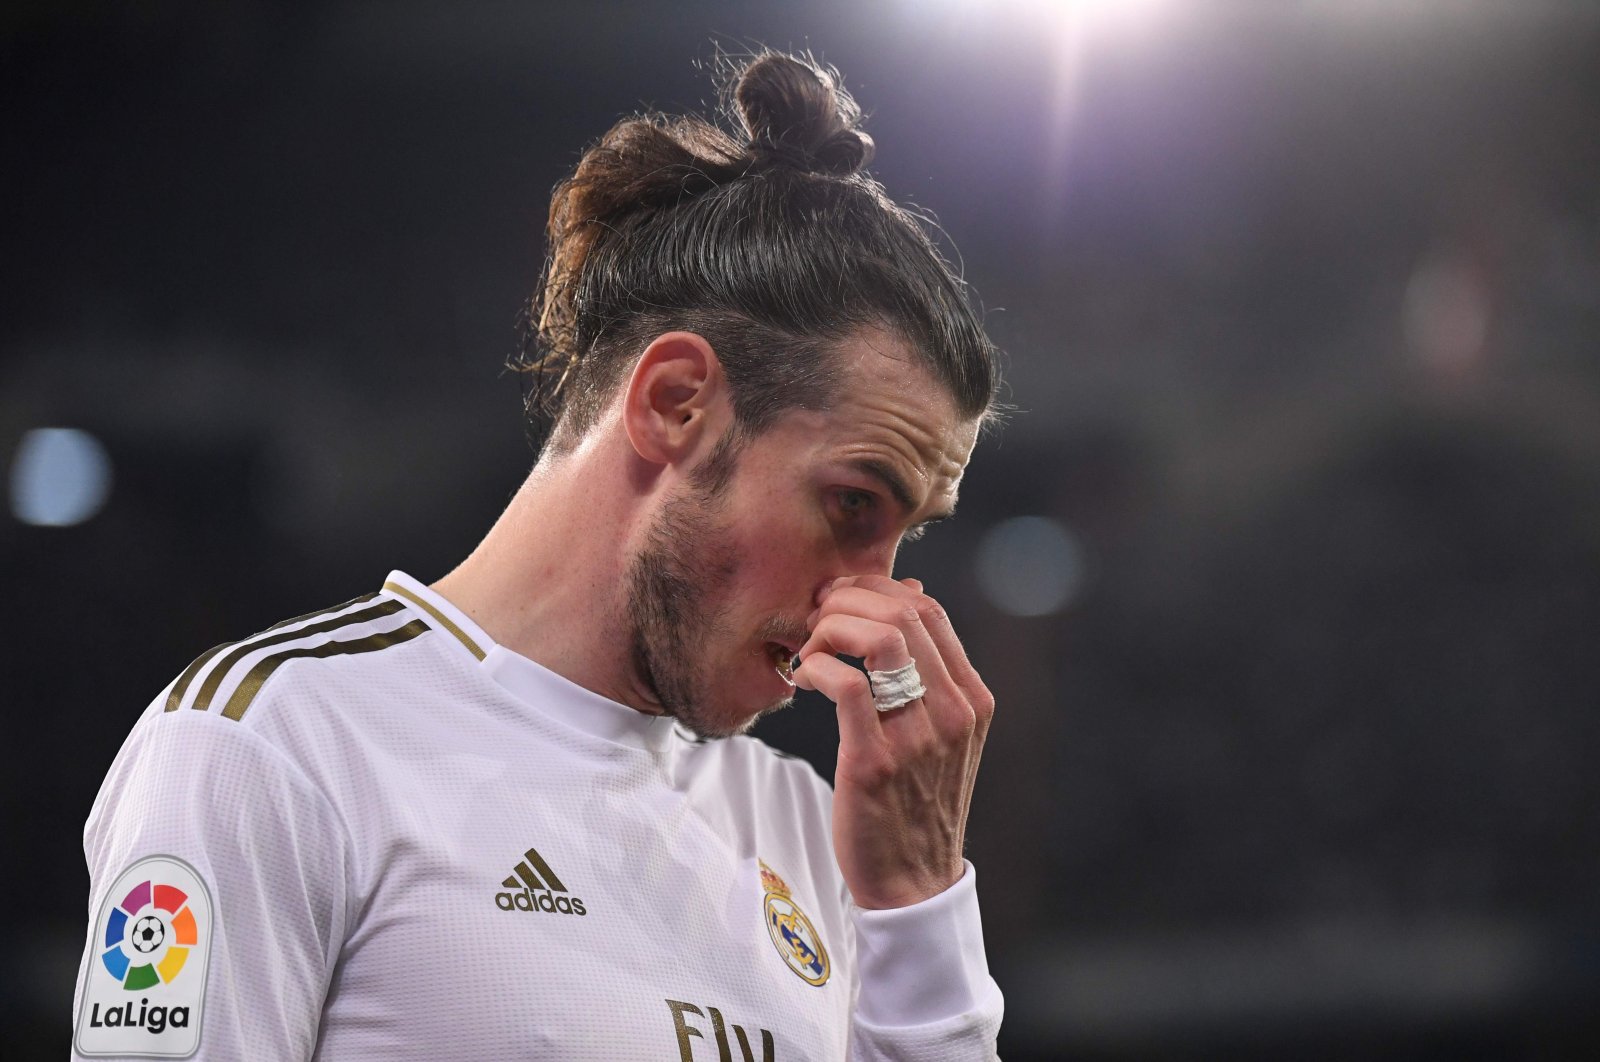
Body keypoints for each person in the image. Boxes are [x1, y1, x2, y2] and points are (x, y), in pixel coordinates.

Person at [73, 51, 1005, 1060]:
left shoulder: (802, 829)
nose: (866, 603)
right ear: (672, 405)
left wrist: (917, 905)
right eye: (852, 504)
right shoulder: (273, 746)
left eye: (907, 537)